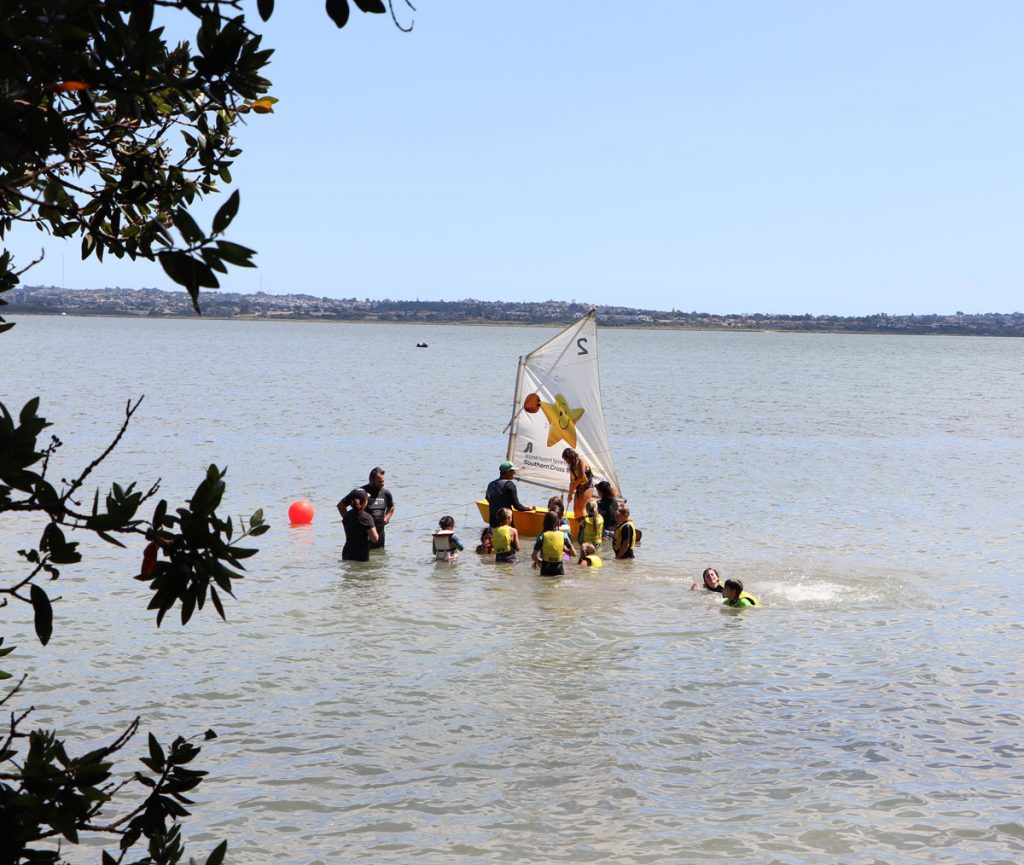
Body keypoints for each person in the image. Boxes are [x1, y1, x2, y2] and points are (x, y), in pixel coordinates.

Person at [338, 467, 394, 549]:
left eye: (383, 482)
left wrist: (387, 517)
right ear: (371, 480)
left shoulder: (386, 493)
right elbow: (341, 506)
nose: (382, 484)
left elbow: (391, 506)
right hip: (363, 535)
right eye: (379, 482)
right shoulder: (360, 492)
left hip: (380, 535)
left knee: (380, 558)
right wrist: (350, 521)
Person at [485, 461, 534, 528]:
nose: (514, 473)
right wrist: (528, 508)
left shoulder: (491, 484)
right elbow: (517, 506)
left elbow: (488, 498)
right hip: (506, 521)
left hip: (493, 521)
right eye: (513, 471)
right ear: (508, 472)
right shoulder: (509, 485)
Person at [532, 510, 576, 577]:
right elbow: (574, 554)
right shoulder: (564, 535)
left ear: (544, 523)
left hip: (545, 569)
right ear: (558, 522)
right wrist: (564, 550)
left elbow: (533, 556)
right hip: (559, 570)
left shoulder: (541, 536)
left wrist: (538, 562)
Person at [339, 488, 378, 561]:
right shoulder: (367, 517)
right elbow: (374, 538)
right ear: (364, 502)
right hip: (361, 554)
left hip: (347, 552)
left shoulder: (347, 515)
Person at [562, 447, 595, 518]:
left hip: (588, 486)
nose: (566, 462)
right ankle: (578, 526)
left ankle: (584, 526)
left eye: (566, 459)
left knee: (580, 509)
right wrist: (570, 494)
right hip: (579, 487)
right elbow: (572, 482)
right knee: (575, 509)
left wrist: (574, 486)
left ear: (570, 457)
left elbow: (581, 477)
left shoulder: (581, 461)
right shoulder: (572, 466)